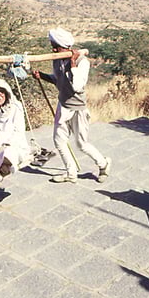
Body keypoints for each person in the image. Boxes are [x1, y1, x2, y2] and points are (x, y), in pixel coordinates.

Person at [32, 27, 111, 184]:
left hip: (78, 109)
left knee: (82, 144)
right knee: (59, 141)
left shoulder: (82, 62)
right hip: (63, 106)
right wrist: (42, 76)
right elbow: (58, 79)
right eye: (52, 45)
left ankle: (103, 163)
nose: (54, 49)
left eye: (56, 46)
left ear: (66, 47)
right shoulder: (57, 59)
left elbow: (76, 86)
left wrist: (73, 62)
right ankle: (71, 173)